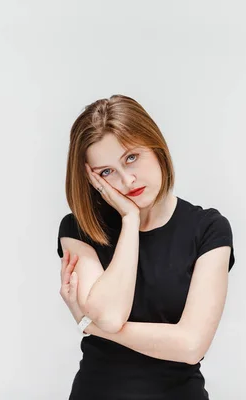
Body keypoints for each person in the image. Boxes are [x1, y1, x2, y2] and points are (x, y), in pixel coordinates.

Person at [56, 94, 235, 399]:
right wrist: (129, 219)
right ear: (92, 180)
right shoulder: (79, 229)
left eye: (131, 157)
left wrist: (90, 325)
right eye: (106, 172)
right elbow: (111, 314)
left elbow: (191, 345)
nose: (127, 180)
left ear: (155, 146)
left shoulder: (208, 229)